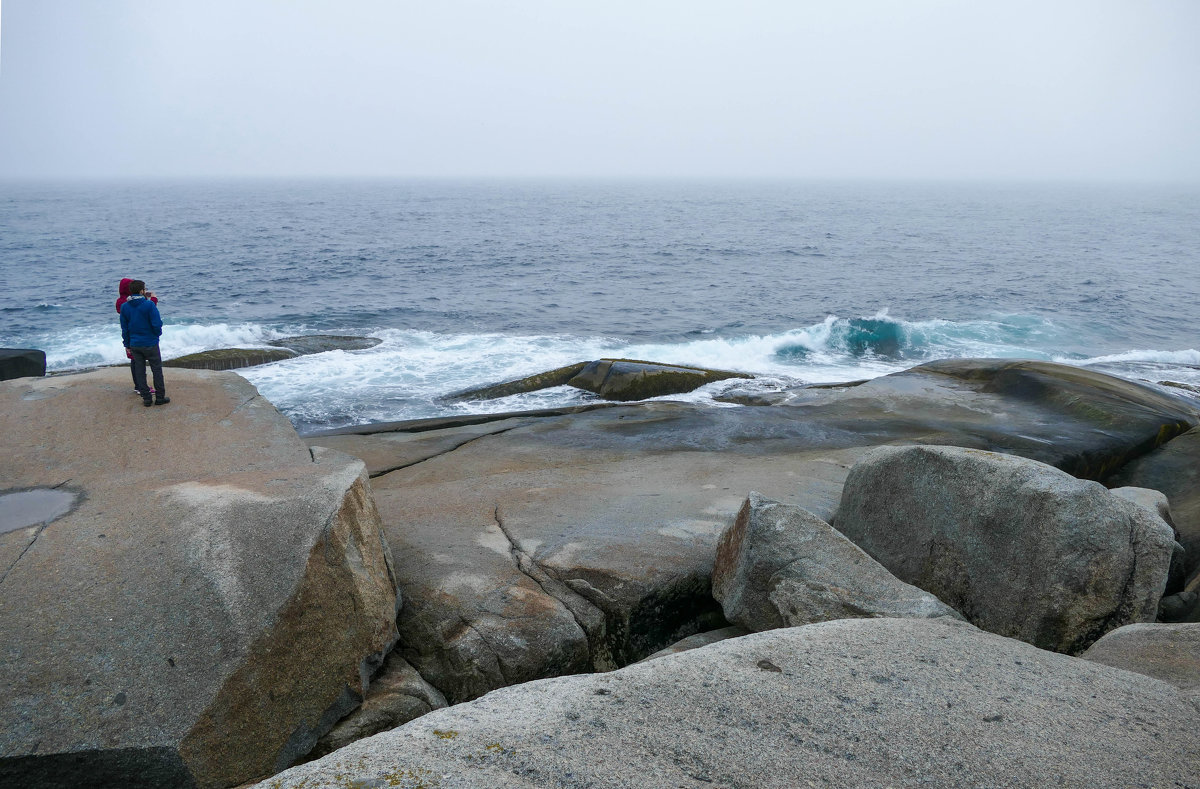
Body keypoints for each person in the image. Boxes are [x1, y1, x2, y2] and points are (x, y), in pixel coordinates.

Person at [119, 280, 169, 407]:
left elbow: (124, 328)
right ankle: (159, 397)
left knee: (140, 371)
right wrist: (157, 334)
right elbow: (157, 324)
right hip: (150, 342)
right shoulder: (149, 305)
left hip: (135, 344)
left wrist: (127, 344)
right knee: (156, 369)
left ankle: (146, 398)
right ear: (142, 291)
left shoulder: (125, 307)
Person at [116, 278, 158, 393]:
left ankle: (139, 385)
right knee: (138, 364)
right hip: (136, 337)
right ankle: (141, 386)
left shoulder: (122, 301)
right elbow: (143, 311)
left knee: (135, 362)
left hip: (130, 336)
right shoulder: (126, 302)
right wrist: (152, 299)